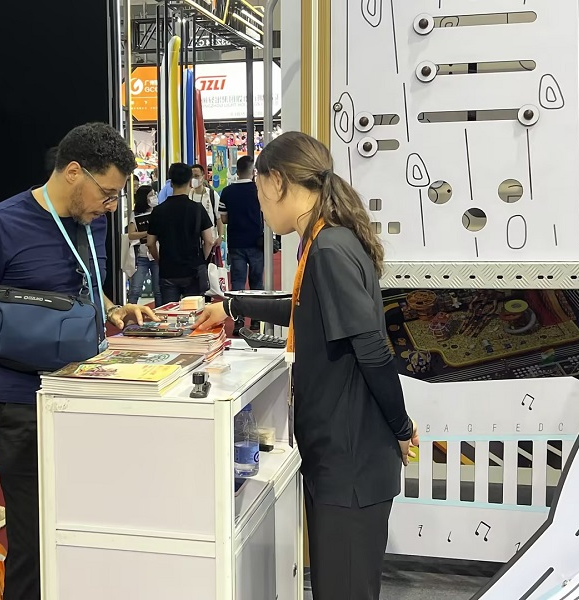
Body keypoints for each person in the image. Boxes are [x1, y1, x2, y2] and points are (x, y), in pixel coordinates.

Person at [196, 132, 419, 600]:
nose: (260, 205)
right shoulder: (320, 242)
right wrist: (231, 306)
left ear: (277, 181)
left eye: (260, 191)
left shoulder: (330, 248)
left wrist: (402, 427)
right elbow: (305, 309)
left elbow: (373, 350)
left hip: (351, 458)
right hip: (336, 452)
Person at [0, 122, 156, 600]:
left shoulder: (92, 222)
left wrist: (112, 308)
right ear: (73, 172)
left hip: (88, 399)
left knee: (87, 537)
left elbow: (80, 290)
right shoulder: (0, 225)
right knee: (34, 545)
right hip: (26, 408)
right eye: (107, 193)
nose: (110, 205)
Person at [146, 163, 214, 304]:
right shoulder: (197, 209)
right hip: (193, 270)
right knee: (194, 312)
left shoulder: (158, 211)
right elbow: (209, 240)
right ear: (190, 182)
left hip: (168, 270)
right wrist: (201, 259)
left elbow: (150, 243)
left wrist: (159, 260)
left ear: (171, 183)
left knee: (168, 312)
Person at [219, 155, 264, 331]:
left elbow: (223, 218)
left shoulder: (227, 192)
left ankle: (238, 320)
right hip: (256, 242)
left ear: (236, 171)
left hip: (236, 242)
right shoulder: (258, 190)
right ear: (253, 172)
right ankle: (256, 319)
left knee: (237, 282)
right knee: (257, 282)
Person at [126, 185, 162, 306]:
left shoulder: (158, 211)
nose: (154, 197)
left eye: (154, 194)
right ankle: (130, 312)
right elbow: (131, 234)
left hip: (157, 254)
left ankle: (159, 313)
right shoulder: (135, 214)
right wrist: (148, 232)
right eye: (151, 195)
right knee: (135, 289)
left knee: (158, 290)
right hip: (141, 256)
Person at [189, 163, 223, 255]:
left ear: (203, 177)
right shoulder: (188, 195)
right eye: (192, 176)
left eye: (197, 176)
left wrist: (221, 236)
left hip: (211, 241)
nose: (194, 179)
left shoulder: (212, 195)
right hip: (192, 242)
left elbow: (219, 218)